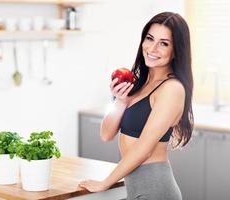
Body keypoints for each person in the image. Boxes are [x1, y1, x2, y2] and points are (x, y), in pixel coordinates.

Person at [79, 11, 193, 200]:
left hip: (156, 189)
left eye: (164, 43)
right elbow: (106, 134)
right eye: (149, 39)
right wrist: (121, 101)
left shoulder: (172, 89)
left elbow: (144, 147)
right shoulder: (139, 82)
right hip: (134, 187)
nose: (152, 48)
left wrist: (105, 183)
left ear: (176, 51)